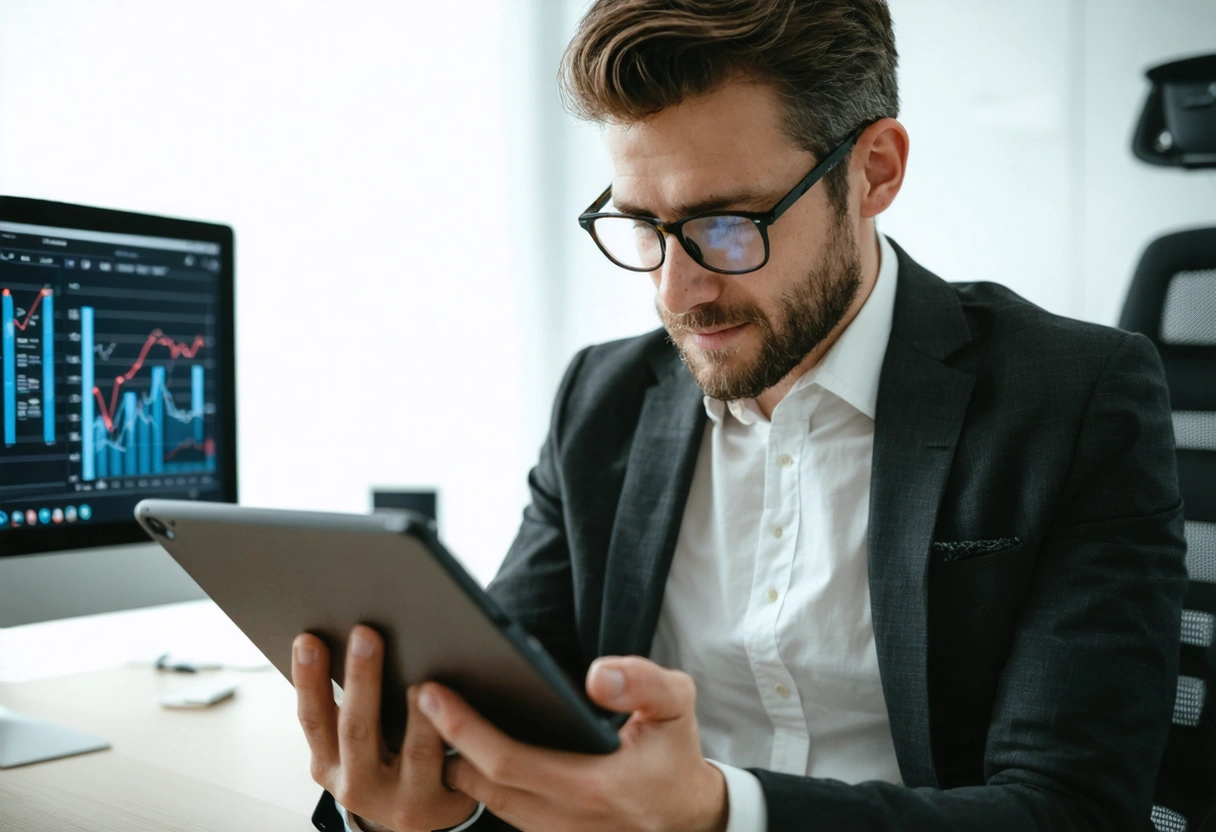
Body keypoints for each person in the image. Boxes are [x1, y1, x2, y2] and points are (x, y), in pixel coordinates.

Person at [291, 1, 1188, 829]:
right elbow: (508, 712)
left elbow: (1070, 809)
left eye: (726, 224)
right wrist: (427, 801)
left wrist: (723, 813)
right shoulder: (601, 403)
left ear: (874, 172)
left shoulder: (1075, 396)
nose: (676, 292)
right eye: (642, 225)